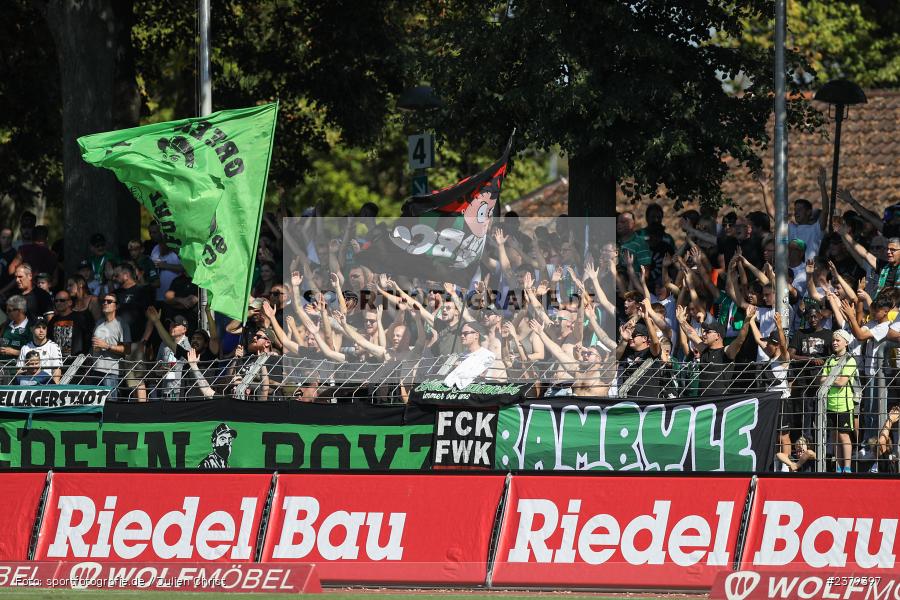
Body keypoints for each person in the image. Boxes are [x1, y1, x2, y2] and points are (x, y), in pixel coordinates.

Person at [822, 329, 858, 473]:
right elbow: (821, 380)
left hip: (844, 404)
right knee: (835, 435)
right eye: (834, 340)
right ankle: (837, 466)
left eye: (838, 340)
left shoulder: (850, 359)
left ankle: (847, 467)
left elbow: (842, 382)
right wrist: (833, 378)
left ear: (846, 343)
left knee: (844, 436)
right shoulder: (830, 359)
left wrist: (830, 378)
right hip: (830, 404)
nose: (835, 343)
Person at [89, 293, 131, 395]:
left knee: (110, 404)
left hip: (111, 372)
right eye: (103, 301)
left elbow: (127, 350)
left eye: (109, 301)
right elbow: (94, 345)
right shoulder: (99, 322)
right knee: (96, 405)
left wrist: (107, 346)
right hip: (95, 369)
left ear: (116, 306)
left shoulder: (121, 324)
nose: (105, 303)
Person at [49, 289, 91, 358]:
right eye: (56, 301)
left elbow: (88, 339)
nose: (58, 303)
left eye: (62, 300)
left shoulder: (80, 318)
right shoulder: (53, 320)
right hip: (58, 362)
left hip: (76, 363)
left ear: (70, 302)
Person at [0, 295, 30, 360]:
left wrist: (14, 352)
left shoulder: (30, 328)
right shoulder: (5, 325)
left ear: (20, 310)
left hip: (19, 367)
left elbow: (35, 352)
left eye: (10, 310)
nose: (7, 313)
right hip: (2, 366)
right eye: (7, 310)